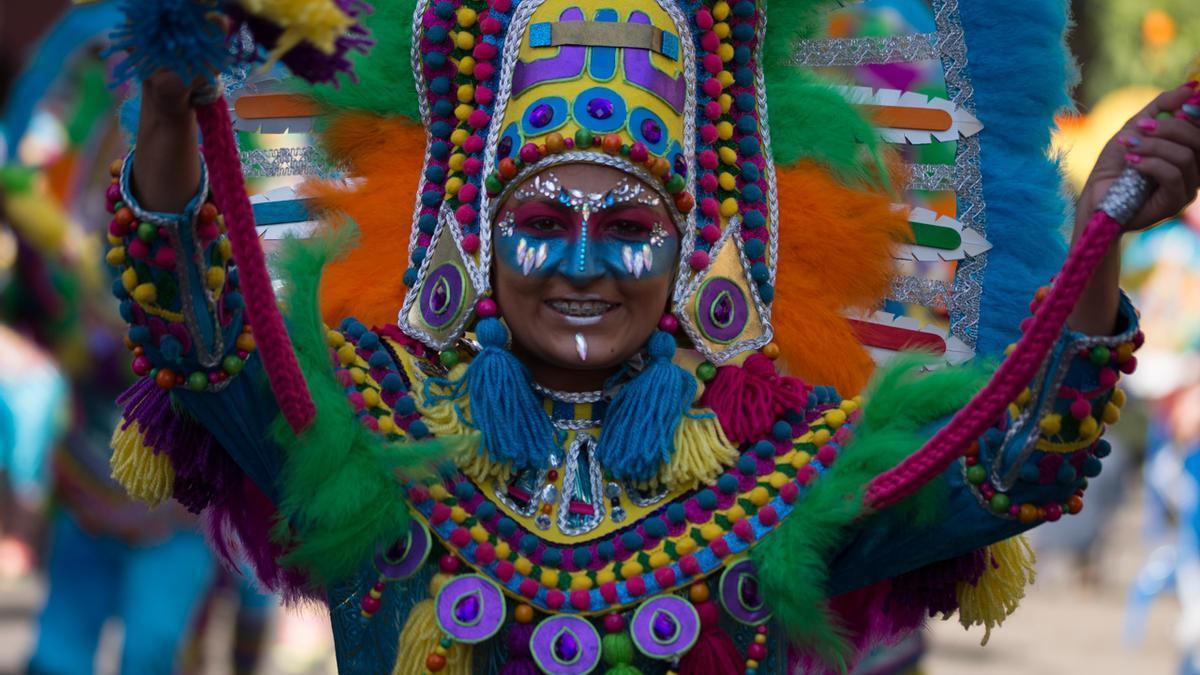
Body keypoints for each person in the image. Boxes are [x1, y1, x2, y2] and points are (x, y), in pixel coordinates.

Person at [105, 1, 1200, 672]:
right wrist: (167, 112)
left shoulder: (786, 471)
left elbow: (1020, 467)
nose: (581, 264)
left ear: (698, 258)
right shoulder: (372, 431)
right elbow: (200, 344)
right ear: (475, 246)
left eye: (629, 230)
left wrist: (1099, 228)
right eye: (538, 225)